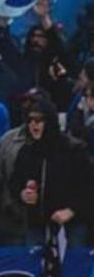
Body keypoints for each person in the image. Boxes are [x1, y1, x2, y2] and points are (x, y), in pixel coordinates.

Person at [6, 93, 90, 246]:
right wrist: (22, 194)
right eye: (30, 120)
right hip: (37, 223)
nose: (33, 125)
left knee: (74, 266)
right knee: (35, 267)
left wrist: (72, 210)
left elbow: (88, 187)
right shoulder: (26, 151)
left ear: (49, 122)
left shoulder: (73, 150)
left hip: (73, 224)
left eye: (39, 120)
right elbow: (14, 182)